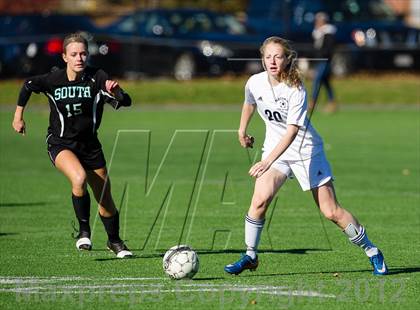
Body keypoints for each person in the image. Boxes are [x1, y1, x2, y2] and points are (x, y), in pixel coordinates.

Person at [224, 36, 388, 275]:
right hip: (275, 148)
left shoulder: (295, 89)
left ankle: (372, 250)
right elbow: (249, 102)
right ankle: (250, 255)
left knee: (330, 211)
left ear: (287, 59)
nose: (272, 61)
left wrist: (267, 160)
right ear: (262, 59)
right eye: (268, 57)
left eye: (278, 56)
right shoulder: (254, 82)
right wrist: (242, 130)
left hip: (306, 150)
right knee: (259, 201)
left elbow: (292, 132)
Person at [12, 33, 133, 258]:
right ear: (65, 56)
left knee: (105, 198)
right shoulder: (53, 79)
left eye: (83, 53)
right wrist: (18, 116)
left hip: (90, 146)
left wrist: (117, 92)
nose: (79, 58)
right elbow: (28, 85)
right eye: (74, 54)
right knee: (79, 178)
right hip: (60, 143)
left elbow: (125, 101)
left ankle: (114, 241)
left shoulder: (97, 77)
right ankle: (84, 232)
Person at [309, 12, 337, 113]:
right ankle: (332, 102)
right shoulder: (317, 33)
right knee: (325, 82)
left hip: (324, 61)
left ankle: (312, 103)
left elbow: (328, 49)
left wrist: (323, 56)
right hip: (319, 61)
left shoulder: (328, 32)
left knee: (317, 80)